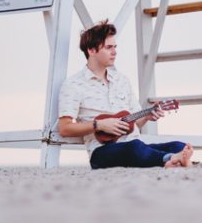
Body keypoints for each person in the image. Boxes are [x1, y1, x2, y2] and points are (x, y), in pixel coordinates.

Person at [57, 19, 193, 168]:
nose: (115, 52)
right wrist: (99, 125)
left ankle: (171, 160)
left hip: (134, 145)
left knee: (178, 145)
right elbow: (64, 128)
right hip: (102, 152)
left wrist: (147, 116)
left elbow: (135, 122)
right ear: (91, 50)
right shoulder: (74, 84)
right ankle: (171, 159)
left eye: (115, 47)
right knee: (135, 148)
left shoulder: (122, 80)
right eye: (108, 47)